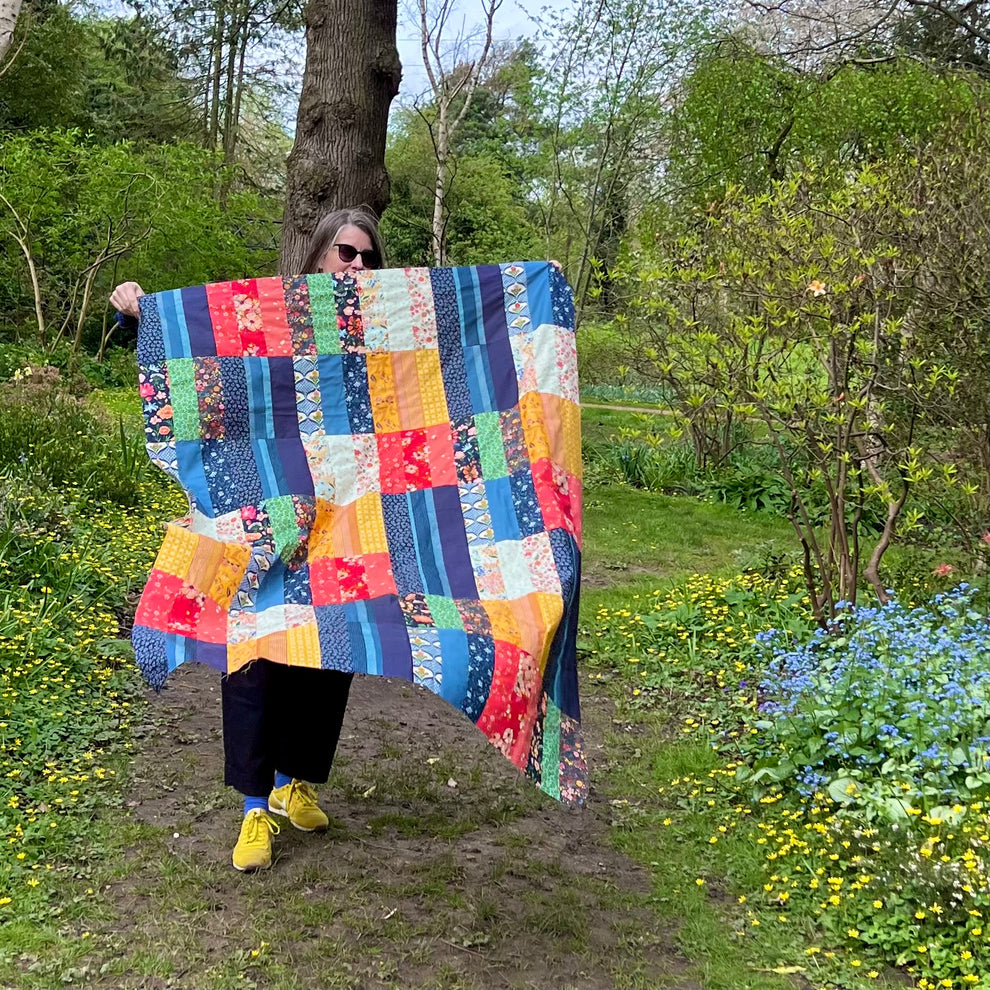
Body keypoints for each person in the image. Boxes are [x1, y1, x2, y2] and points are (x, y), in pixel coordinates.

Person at [111, 206, 387, 872]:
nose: (356, 267)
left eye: (369, 259)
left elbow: (460, 352)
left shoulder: (386, 330)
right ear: (320, 254)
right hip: (265, 517)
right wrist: (139, 313)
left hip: (345, 522)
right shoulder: (273, 321)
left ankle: (297, 786)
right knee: (256, 656)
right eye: (346, 253)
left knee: (328, 655)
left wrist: (533, 295)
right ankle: (254, 810)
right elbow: (202, 351)